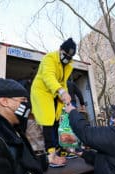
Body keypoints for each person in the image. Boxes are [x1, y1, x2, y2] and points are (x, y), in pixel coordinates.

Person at [30, 38, 76, 166]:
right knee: (48, 120)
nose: (67, 58)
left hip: (55, 93)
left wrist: (66, 98)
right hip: (42, 91)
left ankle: (62, 148)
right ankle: (51, 155)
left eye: (70, 57)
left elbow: (63, 82)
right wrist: (61, 92)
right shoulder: (49, 58)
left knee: (61, 118)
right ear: (60, 50)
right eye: (65, 55)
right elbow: (48, 76)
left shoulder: (67, 65)